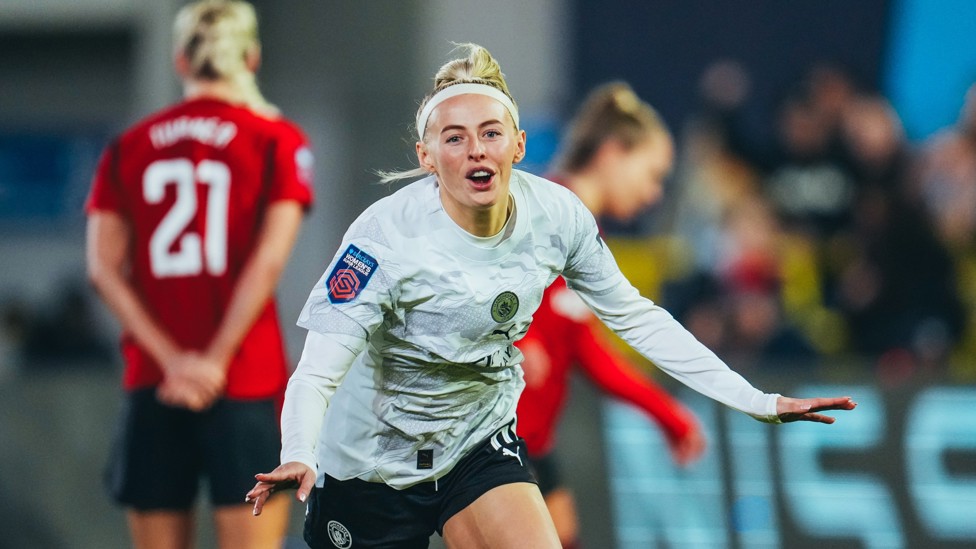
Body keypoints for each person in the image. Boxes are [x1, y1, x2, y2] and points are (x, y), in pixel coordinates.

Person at [246, 43, 855, 549]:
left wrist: (756, 399)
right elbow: (320, 368)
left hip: (475, 444)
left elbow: (637, 318)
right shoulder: (383, 237)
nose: (475, 149)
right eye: (454, 139)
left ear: (518, 145)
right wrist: (299, 448)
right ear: (427, 158)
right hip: (370, 461)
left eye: (490, 133)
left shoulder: (557, 217)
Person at [85, 1, 314, 548]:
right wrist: (212, 359)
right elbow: (268, 262)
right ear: (252, 57)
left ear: (179, 60)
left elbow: (101, 268)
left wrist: (173, 361)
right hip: (245, 377)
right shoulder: (276, 139)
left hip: (154, 381)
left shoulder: (129, 145)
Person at [514, 82, 706, 549]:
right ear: (613, 153)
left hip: (531, 442)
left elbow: (584, 350)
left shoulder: (581, 232)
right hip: (494, 440)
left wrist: (666, 413)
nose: (655, 193)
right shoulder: (541, 209)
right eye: (653, 173)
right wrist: (509, 343)